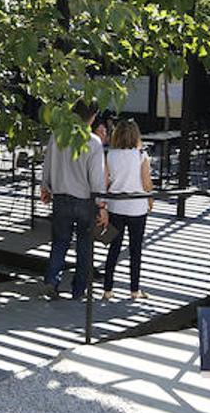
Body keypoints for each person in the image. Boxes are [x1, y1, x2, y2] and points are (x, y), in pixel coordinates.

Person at [39, 101, 109, 300]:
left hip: (60, 197)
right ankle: (79, 289)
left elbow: (48, 164)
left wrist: (46, 186)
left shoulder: (57, 135)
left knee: (60, 242)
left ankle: (51, 280)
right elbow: (96, 179)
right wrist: (102, 205)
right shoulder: (93, 142)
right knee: (85, 245)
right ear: (93, 117)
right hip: (85, 200)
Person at [101, 119, 153, 301]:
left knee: (113, 248)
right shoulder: (141, 155)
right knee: (135, 249)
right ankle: (134, 290)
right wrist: (151, 195)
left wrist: (103, 206)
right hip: (137, 208)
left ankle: (107, 289)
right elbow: (146, 184)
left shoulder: (110, 155)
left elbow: (105, 182)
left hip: (116, 207)